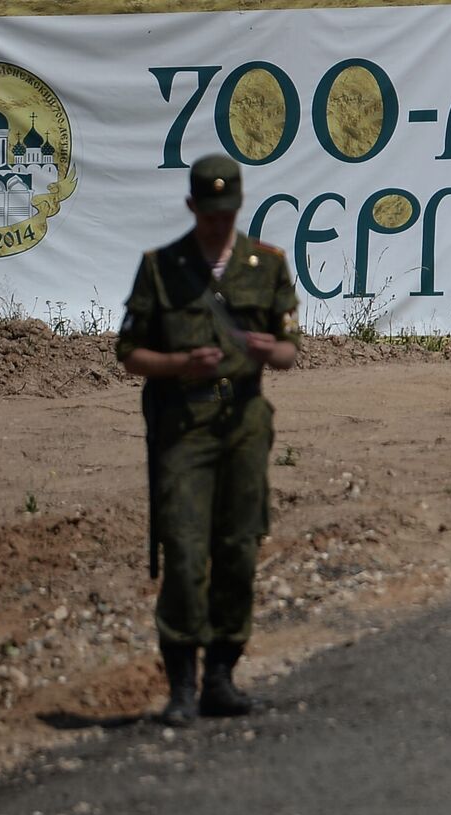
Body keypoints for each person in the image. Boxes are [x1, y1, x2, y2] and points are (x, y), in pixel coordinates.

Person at [115, 154, 301, 727]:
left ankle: (223, 671)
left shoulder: (264, 266)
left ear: (238, 206)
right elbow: (128, 353)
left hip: (244, 423)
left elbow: (292, 351)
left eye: (227, 212)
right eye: (209, 213)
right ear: (192, 207)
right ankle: (183, 685)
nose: (218, 223)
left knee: (240, 545)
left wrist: (273, 352)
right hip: (184, 426)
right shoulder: (162, 267)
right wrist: (176, 364)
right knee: (185, 547)